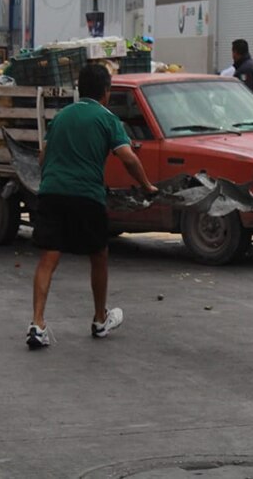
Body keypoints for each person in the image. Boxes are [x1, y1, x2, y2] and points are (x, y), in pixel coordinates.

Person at [27, 64, 158, 350]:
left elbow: (41, 158)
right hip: (87, 196)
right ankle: (100, 320)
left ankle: (37, 324)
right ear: (106, 92)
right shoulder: (107, 118)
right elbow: (128, 158)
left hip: (51, 193)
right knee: (98, 254)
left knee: (49, 258)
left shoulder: (61, 117)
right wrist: (147, 185)